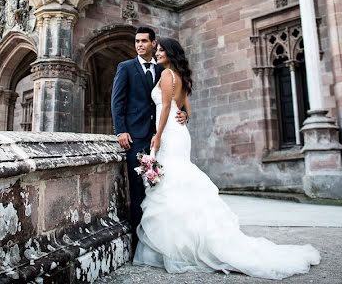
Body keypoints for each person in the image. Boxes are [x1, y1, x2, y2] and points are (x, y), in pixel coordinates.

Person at [134, 37, 321, 279]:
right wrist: (184, 119)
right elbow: (186, 108)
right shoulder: (178, 75)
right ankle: (183, 243)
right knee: (175, 181)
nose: (157, 53)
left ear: (169, 53)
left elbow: (168, 107)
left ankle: (179, 248)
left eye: (160, 50)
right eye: (156, 49)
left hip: (169, 133)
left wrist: (157, 136)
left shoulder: (168, 75)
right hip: (178, 132)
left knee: (172, 182)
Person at [111, 26, 186, 256]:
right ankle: (138, 247)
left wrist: (184, 114)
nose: (140, 45)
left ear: (154, 43)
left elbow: (175, 98)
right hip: (134, 138)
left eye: (144, 41)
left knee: (159, 192)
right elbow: (117, 101)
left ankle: (160, 243)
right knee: (137, 193)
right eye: (137, 41)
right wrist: (120, 131)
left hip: (160, 138)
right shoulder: (125, 67)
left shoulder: (162, 69)